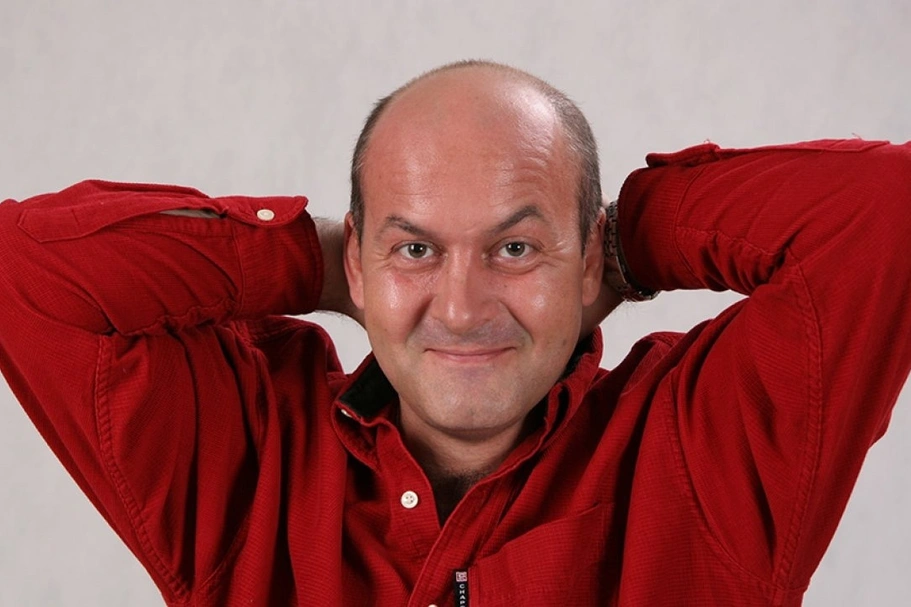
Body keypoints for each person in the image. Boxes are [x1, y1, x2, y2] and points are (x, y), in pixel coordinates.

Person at [0, 60, 909, 606]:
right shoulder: (244, 455)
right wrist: (322, 267)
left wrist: (626, 248)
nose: (463, 307)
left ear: (583, 260)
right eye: (416, 247)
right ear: (361, 262)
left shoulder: (701, 452)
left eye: (514, 247)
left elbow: (886, 206)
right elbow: (23, 268)